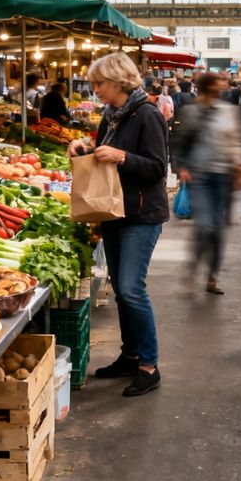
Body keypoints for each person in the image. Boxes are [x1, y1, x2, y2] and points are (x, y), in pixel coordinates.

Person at [69, 53, 169, 397]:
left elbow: (157, 168)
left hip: (141, 214)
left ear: (118, 81)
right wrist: (85, 149)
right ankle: (130, 355)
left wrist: (121, 156)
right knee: (123, 293)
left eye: (100, 83)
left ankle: (149, 365)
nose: (95, 89)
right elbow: (103, 155)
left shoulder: (148, 115)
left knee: (130, 288)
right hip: (113, 211)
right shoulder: (112, 116)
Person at [172, 72, 241, 294]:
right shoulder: (191, 111)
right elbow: (179, 141)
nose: (224, 86)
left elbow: (238, 141)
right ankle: (193, 268)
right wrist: (183, 167)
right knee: (205, 224)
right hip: (201, 176)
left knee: (218, 228)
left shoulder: (229, 111)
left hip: (224, 177)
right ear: (208, 86)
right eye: (219, 82)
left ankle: (212, 276)